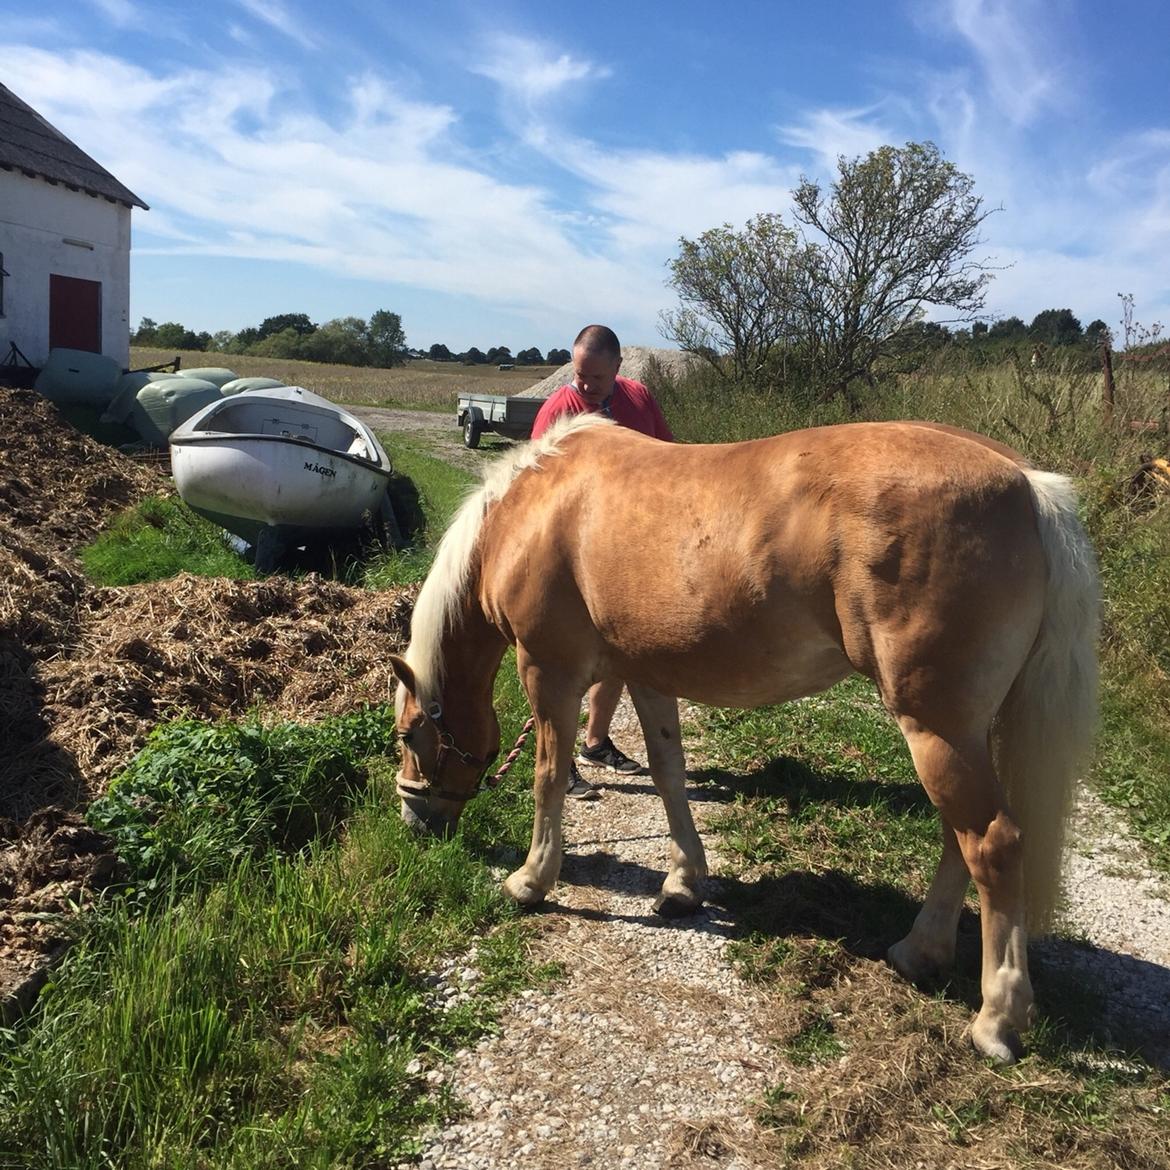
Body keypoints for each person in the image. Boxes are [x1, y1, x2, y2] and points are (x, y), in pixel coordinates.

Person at [530, 324, 674, 799]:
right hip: (578, 554)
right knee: (564, 661)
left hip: (636, 545)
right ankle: (562, 760)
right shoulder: (560, 410)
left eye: (594, 376)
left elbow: (670, 456)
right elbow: (533, 485)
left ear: (617, 368)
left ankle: (595, 741)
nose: (584, 386)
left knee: (621, 653)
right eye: (578, 375)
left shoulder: (638, 399)